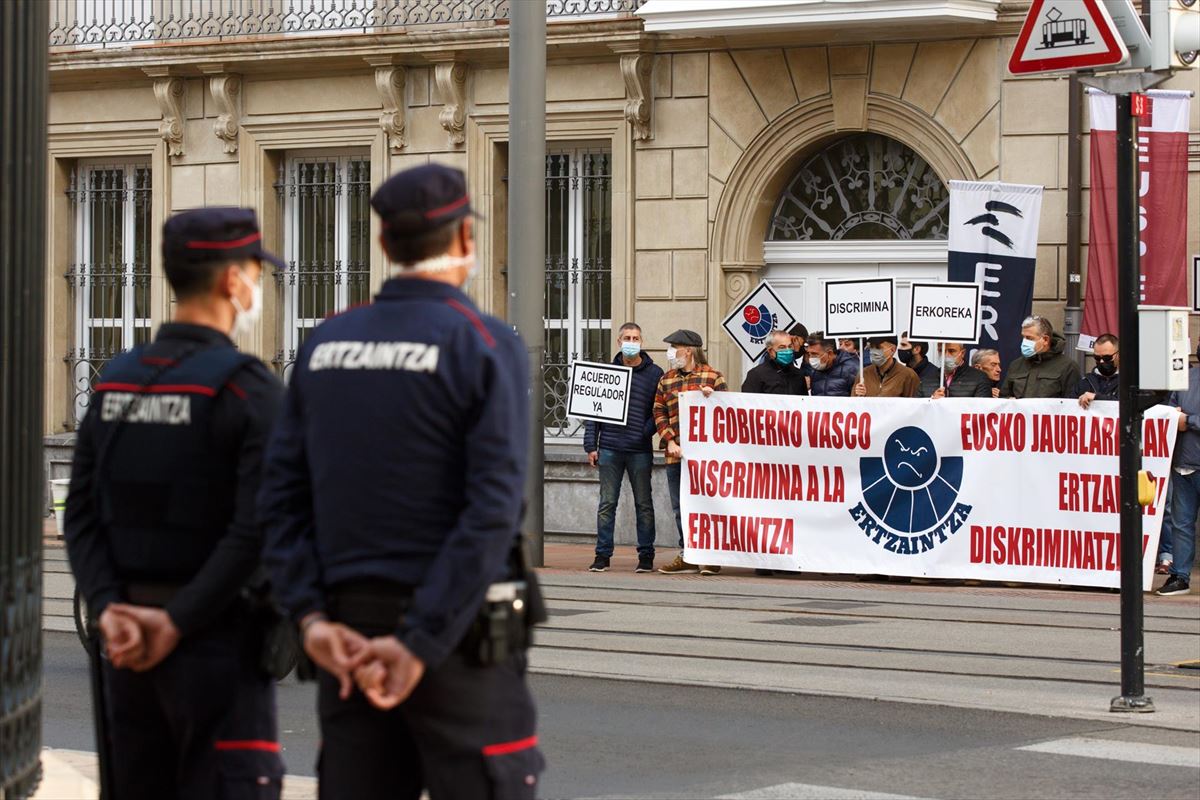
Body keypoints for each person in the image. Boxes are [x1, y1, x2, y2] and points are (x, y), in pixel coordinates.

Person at [258, 164, 545, 798]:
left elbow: (280, 498)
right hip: (458, 631)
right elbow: (494, 509)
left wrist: (309, 619)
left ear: (384, 246)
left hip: (344, 631)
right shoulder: (483, 341)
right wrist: (418, 643)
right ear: (467, 240)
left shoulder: (325, 342)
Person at [63, 208, 286, 799]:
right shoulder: (247, 389)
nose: (257, 287)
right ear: (231, 281)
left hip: (126, 649)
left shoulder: (115, 380)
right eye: (254, 273)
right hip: (215, 649)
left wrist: (110, 607)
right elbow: (258, 527)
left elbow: (80, 512)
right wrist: (179, 621)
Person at [583, 323, 664, 573]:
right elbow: (592, 413)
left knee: (644, 504)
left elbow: (659, 408)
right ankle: (602, 555)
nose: (632, 341)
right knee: (607, 503)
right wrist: (590, 445)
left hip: (639, 449)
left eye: (636, 337)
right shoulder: (606, 372)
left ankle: (646, 555)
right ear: (619, 342)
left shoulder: (655, 373)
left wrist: (645, 431)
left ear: (642, 341)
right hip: (609, 448)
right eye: (627, 337)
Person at [654, 329, 728, 576]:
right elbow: (659, 412)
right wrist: (670, 440)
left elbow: (728, 414)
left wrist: (714, 399)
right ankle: (688, 552)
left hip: (706, 459)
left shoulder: (713, 377)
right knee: (680, 506)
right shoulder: (666, 379)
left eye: (674, 347)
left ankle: (710, 556)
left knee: (709, 505)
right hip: (677, 455)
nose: (671, 353)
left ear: (689, 350)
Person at [1158, 346, 1200, 596]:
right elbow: (1171, 412)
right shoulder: (1185, 379)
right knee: (1181, 525)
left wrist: (1189, 421)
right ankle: (1180, 575)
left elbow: (1183, 419)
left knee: (1181, 523)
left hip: (1187, 461)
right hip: (1184, 464)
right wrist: (1177, 418)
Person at [1000, 316, 1081, 399]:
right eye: (1023, 337)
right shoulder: (1016, 365)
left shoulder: (1068, 367)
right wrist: (1008, 400)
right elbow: (1003, 397)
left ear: (1045, 340)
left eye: (1029, 338)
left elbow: (1072, 404)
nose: (1024, 342)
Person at [742, 329, 808, 395]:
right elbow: (747, 402)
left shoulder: (799, 375)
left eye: (790, 346)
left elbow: (804, 403)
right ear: (770, 351)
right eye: (782, 347)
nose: (788, 350)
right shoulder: (756, 375)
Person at [854, 335, 920, 398]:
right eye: (871, 347)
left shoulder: (908, 375)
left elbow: (913, 406)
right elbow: (854, 407)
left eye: (878, 347)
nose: (873, 351)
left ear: (892, 350)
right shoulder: (864, 374)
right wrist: (858, 396)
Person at [806, 332, 859, 397]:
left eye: (815, 354)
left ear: (830, 353)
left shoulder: (852, 369)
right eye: (809, 354)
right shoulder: (815, 369)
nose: (811, 358)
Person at [1075, 333, 1119, 409]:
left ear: (1118, 355)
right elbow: (1068, 406)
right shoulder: (1085, 382)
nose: (1101, 361)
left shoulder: (1130, 382)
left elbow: (1129, 406)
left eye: (1107, 358)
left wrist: (1097, 397)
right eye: (1097, 358)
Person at [898, 333, 940, 398]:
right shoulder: (900, 373)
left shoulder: (936, 374)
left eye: (904, 345)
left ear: (917, 349)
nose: (899, 348)